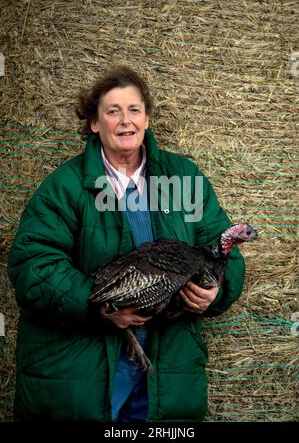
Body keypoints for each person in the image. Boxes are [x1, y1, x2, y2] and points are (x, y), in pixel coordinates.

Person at [7, 66, 245, 422]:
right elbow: (34, 266)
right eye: (112, 111)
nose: (125, 121)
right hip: (85, 370)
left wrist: (215, 287)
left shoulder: (183, 178)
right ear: (94, 123)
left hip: (166, 369)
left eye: (134, 110)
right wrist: (97, 306)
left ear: (147, 119)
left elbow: (224, 247)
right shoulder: (65, 187)